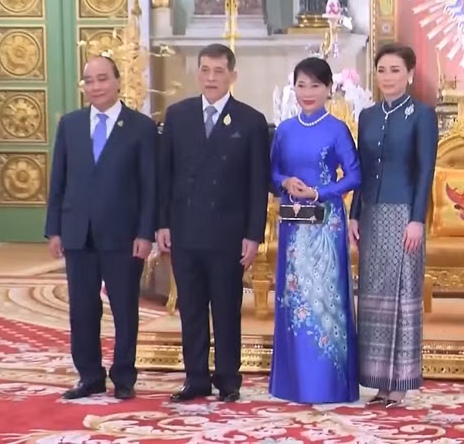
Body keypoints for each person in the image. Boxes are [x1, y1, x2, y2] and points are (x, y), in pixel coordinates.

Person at [157, 43, 270, 403]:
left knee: (225, 309)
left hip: (228, 234)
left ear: (232, 75)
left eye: (219, 71)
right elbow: (165, 175)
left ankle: (228, 379)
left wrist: (253, 234)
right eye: (205, 70)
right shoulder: (178, 115)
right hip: (185, 230)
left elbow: (258, 183)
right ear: (197, 74)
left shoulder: (251, 121)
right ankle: (196, 379)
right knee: (190, 309)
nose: (211, 78)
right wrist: (162, 224)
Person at [44, 56, 157, 401]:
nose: (95, 86)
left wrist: (145, 233)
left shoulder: (141, 127)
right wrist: (54, 229)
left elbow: (150, 185)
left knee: (124, 309)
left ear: (118, 81)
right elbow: (58, 180)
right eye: (89, 80)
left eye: (103, 78)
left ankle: (123, 376)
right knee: (82, 309)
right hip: (77, 232)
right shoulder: (71, 124)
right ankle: (90, 376)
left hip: (124, 235)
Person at [349, 43, 438, 407]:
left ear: (410, 74)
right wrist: (354, 213)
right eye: (382, 70)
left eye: (395, 70)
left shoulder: (422, 114)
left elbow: (425, 170)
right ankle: (377, 382)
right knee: (373, 298)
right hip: (371, 214)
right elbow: (360, 168)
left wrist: (417, 219)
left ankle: (399, 383)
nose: (387, 77)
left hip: (404, 215)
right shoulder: (368, 116)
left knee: (402, 295)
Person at [269, 57, 361, 404]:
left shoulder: (337, 129)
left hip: (325, 223)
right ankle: (294, 383)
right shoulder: (284, 130)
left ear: (328, 90)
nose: (307, 92)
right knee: (294, 298)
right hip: (293, 223)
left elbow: (354, 175)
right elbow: (272, 171)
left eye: (315, 85)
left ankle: (328, 383)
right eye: (301, 85)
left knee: (324, 299)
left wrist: (319, 191)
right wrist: (285, 182)